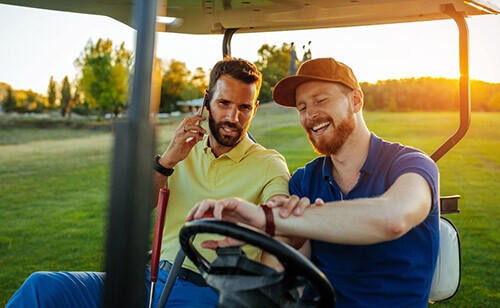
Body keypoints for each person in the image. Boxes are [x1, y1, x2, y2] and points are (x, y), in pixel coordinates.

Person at [6, 57, 290, 308]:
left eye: (244, 107)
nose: (232, 117)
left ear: (254, 109)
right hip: (149, 277)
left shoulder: (268, 163)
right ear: (207, 101)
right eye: (224, 103)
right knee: (41, 288)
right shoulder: (181, 151)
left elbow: (280, 209)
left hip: (210, 291)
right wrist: (166, 162)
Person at [188, 57, 440, 308]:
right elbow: (289, 260)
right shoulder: (304, 181)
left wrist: (268, 219)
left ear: (355, 100)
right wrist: (255, 235)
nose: (310, 115)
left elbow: (392, 219)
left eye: (321, 100)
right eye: (302, 108)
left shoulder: (411, 164)